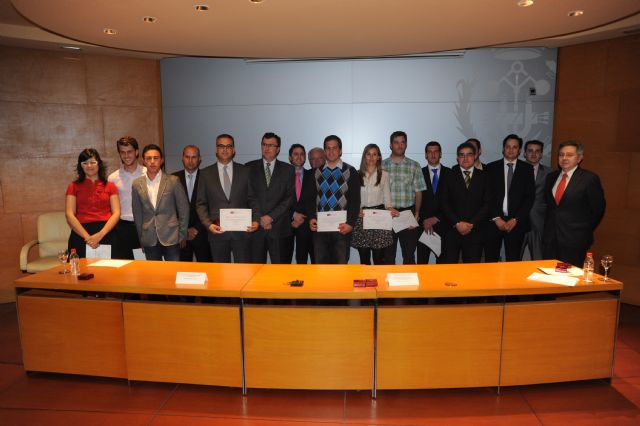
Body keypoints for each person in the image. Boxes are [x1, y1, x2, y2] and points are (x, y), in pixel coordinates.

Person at [196, 134, 259, 263]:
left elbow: (253, 199)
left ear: (234, 150)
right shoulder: (205, 174)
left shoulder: (245, 171)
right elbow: (200, 204)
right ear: (216, 150)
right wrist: (208, 225)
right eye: (221, 146)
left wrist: (256, 220)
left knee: (243, 274)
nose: (225, 149)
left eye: (228, 146)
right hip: (217, 232)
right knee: (221, 276)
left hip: (242, 233)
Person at [542, 141, 605, 267]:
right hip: (550, 239)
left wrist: (582, 231)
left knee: (570, 279)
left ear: (580, 158)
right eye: (561, 155)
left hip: (575, 240)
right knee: (549, 277)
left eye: (569, 155)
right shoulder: (551, 177)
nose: (564, 158)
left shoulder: (589, 179)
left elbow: (598, 210)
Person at [305, 135, 360, 264]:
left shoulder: (350, 171)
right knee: (321, 267)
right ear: (324, 151)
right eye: (328, 148)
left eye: (334, 148)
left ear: (340, 150)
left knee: (340, 268)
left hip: (342, 228)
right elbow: (309, 198)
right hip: (321, 228)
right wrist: (311, 217)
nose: (331, 151)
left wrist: (350, 223)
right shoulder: (316, 172)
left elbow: (355, 201)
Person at [132, 144, 189, 261]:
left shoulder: (173, 181)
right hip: (149, 238)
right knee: (154, 275)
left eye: (156, 158)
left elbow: (184, 209)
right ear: (143, 161)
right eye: (148, 158)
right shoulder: (137, 184)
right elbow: (137, 214)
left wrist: (182, 235)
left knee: (173, 273)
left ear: (161, 160)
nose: (152, 162)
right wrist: (141, 238)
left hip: (172, 236)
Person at [246, 132, 296, 264]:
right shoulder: (248, 168)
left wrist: (270, 217)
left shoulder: (288, 170)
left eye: (271, 145)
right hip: (256, 229)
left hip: (279, 229)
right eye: (264, 144)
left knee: (280, 273)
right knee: (255, 273)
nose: (266, 148)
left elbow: (289, 199)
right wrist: (260, 218)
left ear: (278, 149)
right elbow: (249, 196)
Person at [439, 142, 492, 264]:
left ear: (475, 156)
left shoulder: (484, 177)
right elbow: (444, 203)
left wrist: (471, 224)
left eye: (469, 154)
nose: (465, 158)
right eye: (462, 155)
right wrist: (457, 223)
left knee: (471, 272)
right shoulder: (448, 175)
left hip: (475, 231)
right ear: (457, 158)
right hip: (452, 231)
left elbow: (487, 204)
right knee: (449, 270)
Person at [485, 134, 535, 262]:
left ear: (519, 150)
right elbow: (487, 196)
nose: (511, 150)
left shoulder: (527, 169)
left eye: (514, 147)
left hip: (516, 223)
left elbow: (529, 198)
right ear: (503, 149)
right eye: (508, 147)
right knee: (491, 260)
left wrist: (515, 219)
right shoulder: (491, 168)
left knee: (513, 260)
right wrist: (496, 218)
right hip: (493, 222)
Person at [65, 148, 120, 258]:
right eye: (85, 163)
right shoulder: (73, 186)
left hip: (106, 233)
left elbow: (117, 213)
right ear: (80, 166)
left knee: (109, 272)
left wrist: (100, 235)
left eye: (92, 162)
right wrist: (88, 238)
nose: (89, 166)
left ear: (99, 163)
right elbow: (69, 214)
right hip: (81, 235)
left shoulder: (110, 186)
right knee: (80, 273)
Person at [382, 131, 427, 264]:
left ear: (406, 145)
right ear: (390, 145)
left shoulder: (414, 165)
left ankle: (409, 285)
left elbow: (418, 191)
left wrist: (417, 213)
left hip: (408, 214)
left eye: (403, 142)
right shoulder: (382, 166)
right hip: (387, 215)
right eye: (396, 142)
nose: (400, 145)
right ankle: (388, 285)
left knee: (409, 255)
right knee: (388, 257)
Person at [351, 144, 396, 265]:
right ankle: (366, 283)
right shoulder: (356, 174)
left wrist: (391, 210)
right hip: (362, 218)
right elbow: (352, 198)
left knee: (379, 259)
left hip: (379, 218)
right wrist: (356, 209)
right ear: (364, 156)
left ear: (379, 157)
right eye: (368, 154)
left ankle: (378, 283)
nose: (371, 157)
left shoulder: (385, 175)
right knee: (364, 260)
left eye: (374, 154)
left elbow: (387, 200)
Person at [108, 136, 146, 259]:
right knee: (125, 266)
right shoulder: (113, 178)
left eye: (129, 151)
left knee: (146, 266)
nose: (126, 155)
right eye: (122, 152)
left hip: (145, 226)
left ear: (136, 152)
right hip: (122, 228)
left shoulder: (148, 174)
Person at [173, 145, 212, 262]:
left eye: (194, 157)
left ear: (199, 158)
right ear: (182, 158)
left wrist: (196, 228)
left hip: (202, 234)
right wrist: (184, 229)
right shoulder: (173, 178)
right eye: (187, 157)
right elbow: (170, 208)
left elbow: (211, 206)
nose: (190, 161)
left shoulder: (208, 178)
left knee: (208, 271)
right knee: (183, 272)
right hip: (181, 235)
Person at [417, 141, 452, 264]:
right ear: (426, 155)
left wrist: (436, 218)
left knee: (443, 266)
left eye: (436, 151)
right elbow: (414, 199)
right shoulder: (418, 173)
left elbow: (453, 201)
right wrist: (424, 220)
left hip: (444, 226)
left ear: (441, 154)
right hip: (424, 227)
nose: (433, 154)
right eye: (429, 152)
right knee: (422, 265)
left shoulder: (450, 174)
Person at [521, 140, 551, 260]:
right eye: (530, 151)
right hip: (518, 222)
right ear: (524, 153)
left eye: (537, 151)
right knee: (512, 260)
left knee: (539, 260)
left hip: (540, 223)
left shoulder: (551, 173)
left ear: (542, 154)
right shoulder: (515, 170)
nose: (534, 154)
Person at [286, 143, 314, 264]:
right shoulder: (282, 176)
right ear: (290, 157)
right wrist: (293, 214)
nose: (299, 157)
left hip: (306, 224)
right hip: (286, 223)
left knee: (303, 260)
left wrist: (302, 217)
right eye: (295, 154)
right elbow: (278, 199)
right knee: (284, 261)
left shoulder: (312, 175)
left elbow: (314, 199)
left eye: (302, 154)